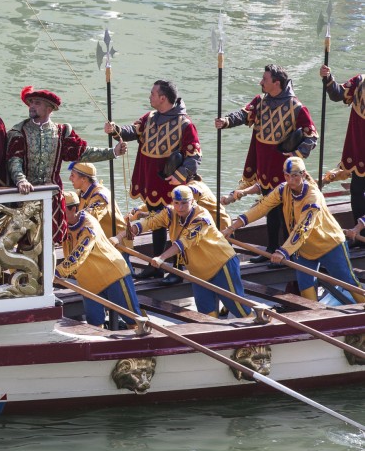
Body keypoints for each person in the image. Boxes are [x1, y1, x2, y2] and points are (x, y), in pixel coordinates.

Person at [223, 157, 365, 303]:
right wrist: (232, 227)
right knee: (306, 289)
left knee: (348, 283)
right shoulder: (282, 190)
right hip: (303, 248)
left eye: (295, 176)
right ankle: (314, 317)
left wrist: (283, 251)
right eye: (287, 176)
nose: (291, 181)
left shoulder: (313, 197)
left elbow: (302, 228)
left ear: (303, 175)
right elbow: (261, 208)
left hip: (329, 245)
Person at [216, 64, 316, 258]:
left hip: (283, 167)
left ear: (276, 83)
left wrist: (296, 154)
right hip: (265, 166)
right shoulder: (261, 101)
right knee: (269, 207)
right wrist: (226, 121)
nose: (261, 82)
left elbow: (311, 135)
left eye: (265, 79)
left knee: (285, 210)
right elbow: (244, 114)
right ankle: (271, 249)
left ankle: (288, 251)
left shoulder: (296, 106)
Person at [104, 80, 201, 281]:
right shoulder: (150, 117)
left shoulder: (185, 124)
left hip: (171, 184)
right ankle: (157, 265)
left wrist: (179, 176)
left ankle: (177, 269)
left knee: (177, 225)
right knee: (156, 222)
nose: (150, 97)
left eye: (152, 94)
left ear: (163, 98)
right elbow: (132, 131)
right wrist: (116, 130)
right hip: (151, 179)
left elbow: (194, 156)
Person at [8, 86, 125, 242]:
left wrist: (113, 152)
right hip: (26, 196)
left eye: (37, 103)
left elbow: (82, 153)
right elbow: (14, 161)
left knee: (49, 242)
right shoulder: (19, 131)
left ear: (49, 108)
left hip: (53, 196)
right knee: (26, 242)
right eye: (30, 102)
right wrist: (21, 180)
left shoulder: (62, 132)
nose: (32, 106)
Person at [130, 186, 251, 318]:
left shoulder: (202, 217)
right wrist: (134, 229)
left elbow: (184, 242)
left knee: (240, 309)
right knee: (206, 315)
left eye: (184, 203)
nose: (180, 207)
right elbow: (152, 222)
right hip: (198, 273)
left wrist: (162, 257)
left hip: (221, 265)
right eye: (176, 203)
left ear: (192, 201)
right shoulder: (170, 212)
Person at [57, 191, 142, 330]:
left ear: (74, 209)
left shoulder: (88, 226)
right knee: (94, 324)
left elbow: (80, 252)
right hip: (89, 282)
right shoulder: (62, 225)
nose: (58, 216)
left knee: (133, 320)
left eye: (61, 211)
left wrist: (59, 271)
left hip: (112, 276)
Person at [320, 63, 365, 230]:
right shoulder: (360, 82)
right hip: (360, 150)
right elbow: (338, 94)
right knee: (357, 190)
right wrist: (328, 78)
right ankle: (361, 236)